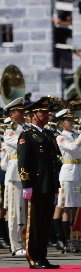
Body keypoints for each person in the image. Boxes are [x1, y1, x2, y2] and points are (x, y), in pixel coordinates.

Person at [18, 98, 61, 269]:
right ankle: (33, 256)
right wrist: (26, 183)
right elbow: (23, 161)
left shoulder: (49, 134)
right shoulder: (27, 136)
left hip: (48, 184)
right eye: (43, 112)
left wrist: (55, 185)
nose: (47, 115)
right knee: (34, 222)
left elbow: (54, 162)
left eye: (47, 112)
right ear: (34, 115)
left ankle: (42, 256)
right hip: (35, 184)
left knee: (45, 222)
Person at [0, 98, 27, 256]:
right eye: (20, 111)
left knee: (25, 211)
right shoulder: (9, 131)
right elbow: (22, 143)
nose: (23, 114)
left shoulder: (26, 128)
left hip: (27, 172)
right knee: (16, 211)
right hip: (15, 173)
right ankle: (16, 245)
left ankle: (25, 241)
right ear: (12, 114)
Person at [54, 108, 81, 254]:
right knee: (67, 206)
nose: (72, 122)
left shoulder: (76, 135)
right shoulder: (61, 137)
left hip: (79, 171)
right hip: (69, 173)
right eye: (68, 120)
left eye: (72, 119)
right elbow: (72, 148)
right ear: (62, 123)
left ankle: (75, 239)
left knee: (77, 206)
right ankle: (65, 240)